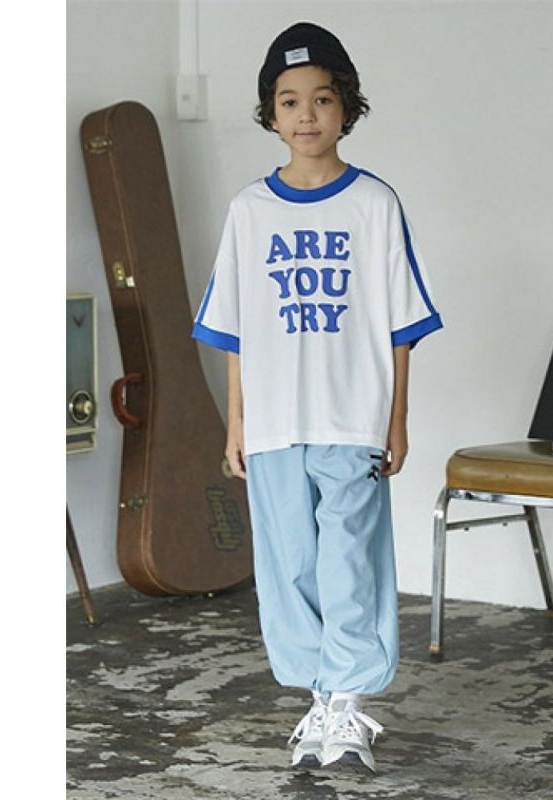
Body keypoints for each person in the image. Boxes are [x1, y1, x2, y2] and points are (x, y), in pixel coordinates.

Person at [191, 21, 444, 773]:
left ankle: (349, 703)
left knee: (350, 561)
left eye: (323, 99)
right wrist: (236, 422)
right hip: (273, 422)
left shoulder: (373, 204)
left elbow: (399, 325)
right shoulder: (249, 211)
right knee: (291, 565)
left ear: (346, 107)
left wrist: (396, 418)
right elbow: (234, 329)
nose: (307, 115)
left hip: (352, 416)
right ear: (271, 114)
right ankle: (318, 698)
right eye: (290, 100)